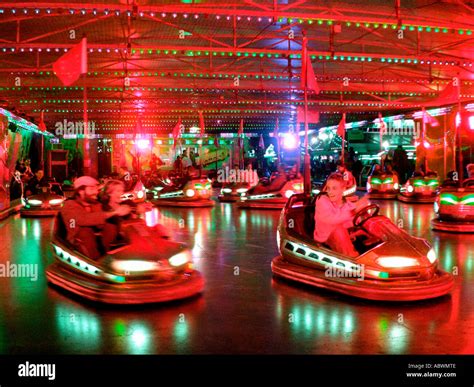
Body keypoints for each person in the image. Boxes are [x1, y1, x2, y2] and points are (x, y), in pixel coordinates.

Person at [60, 176, 131, 260]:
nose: (96, 192)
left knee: (111, 227)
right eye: (91, 189)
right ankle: (98, 263)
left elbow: (105, 214)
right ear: (81, 191)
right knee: (85, 232)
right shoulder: (70, 205)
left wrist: (131, 210)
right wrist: (114, 212)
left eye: (96, 189)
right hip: (76, 245)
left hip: (98, 243)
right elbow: (83, 219)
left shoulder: (94, 204)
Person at [313, 173, 370, 257]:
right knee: (338, 231)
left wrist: (363, 223)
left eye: (334, 188)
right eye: (328, 188)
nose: (330, 192)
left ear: (343, 189)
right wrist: (354, 210)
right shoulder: (322, 200)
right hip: (326, 238)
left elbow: (353, 221)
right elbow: (332, 220)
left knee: (370, 228)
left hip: (345, 237)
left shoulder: (347, 204)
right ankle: (354, 264)